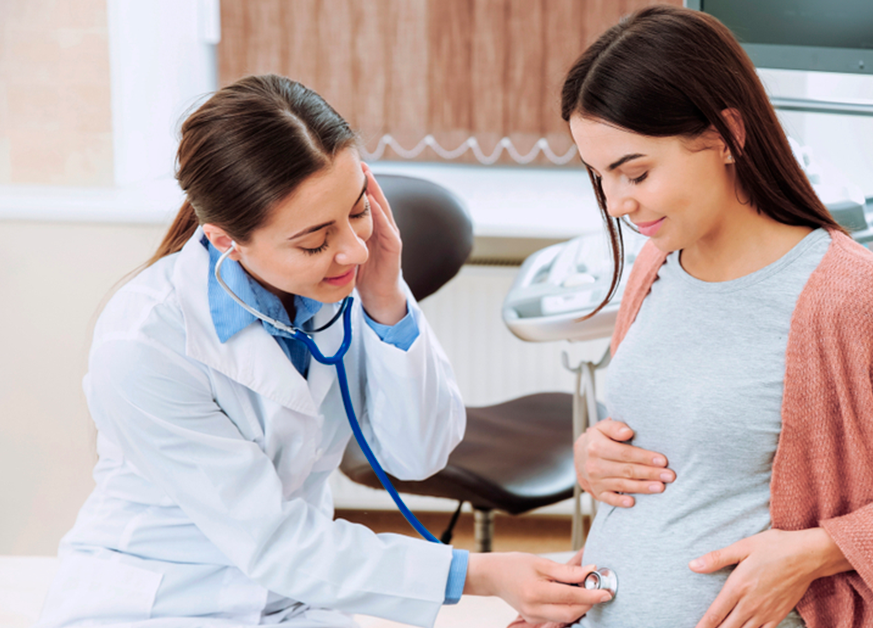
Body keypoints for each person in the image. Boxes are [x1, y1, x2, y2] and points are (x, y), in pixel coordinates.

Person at [540, 6, 873, 628]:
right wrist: (594, 458)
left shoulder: (857, 301)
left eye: (636, 172)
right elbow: (701, 455)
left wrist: (822, 551)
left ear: (726, 134)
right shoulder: (656, 267)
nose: (618, 203)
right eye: (600, 176)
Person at [36, 74, 610, 628]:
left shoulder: (347, 288)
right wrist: (480, 573)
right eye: (314, 241)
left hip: (293, 596)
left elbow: (419, 457)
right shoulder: (146, 345)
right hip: (165, 597)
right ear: (224, 240)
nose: (354, 250)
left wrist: (388, 303)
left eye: (358, 210)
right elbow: (273, 540)